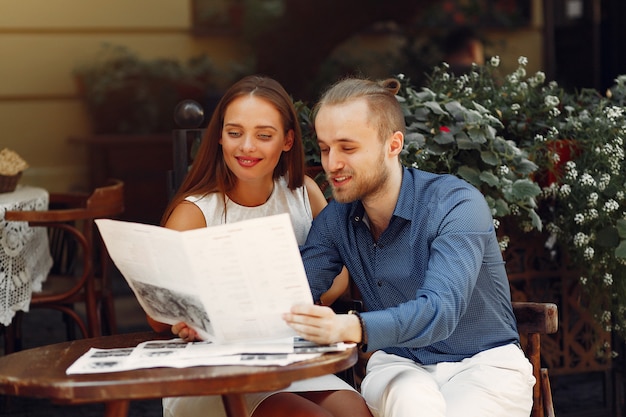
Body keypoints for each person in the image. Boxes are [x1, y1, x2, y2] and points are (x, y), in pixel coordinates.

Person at [282, 77, 535, 417]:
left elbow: (441, 311)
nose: (331, 164)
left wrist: (351, 327)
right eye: (326, 149)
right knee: (410, 400)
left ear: (393, 144)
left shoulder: (457, 204)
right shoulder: (335, 220)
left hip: (485, 365)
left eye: (348, 148)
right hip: (399, 365)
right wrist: (207, 320)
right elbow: (291, 292)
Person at [147, 75, 371, 417]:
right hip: (215, 370)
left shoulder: (303, 194)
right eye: (234, 133)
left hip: (289, 358)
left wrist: (284, 302)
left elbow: (340, 276)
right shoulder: (194, 213)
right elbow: (156, 317)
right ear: (220, 137)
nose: (246, 147)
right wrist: (189, 317)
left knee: (355, 410)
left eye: (263, 135)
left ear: (287, 140)